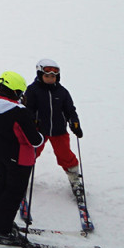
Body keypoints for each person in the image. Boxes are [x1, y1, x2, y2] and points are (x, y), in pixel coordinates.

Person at [0, 71, 42, 239]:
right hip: (19, 156)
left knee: (1, 180)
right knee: (14, 191)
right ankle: (1, 228)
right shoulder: (19, 112)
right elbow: (35, 141)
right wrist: (37, 129)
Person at [24, 59, 85, 204]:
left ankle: (75, 179)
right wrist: (31, 122)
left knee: (65, 155)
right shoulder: (32, 90)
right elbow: (27, 109)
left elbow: (70, 110)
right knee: (30, 153)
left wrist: (74, 122)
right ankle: (21, 177)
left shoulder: (62, 92)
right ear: (40, 75)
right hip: (39, 131)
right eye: (47, 76)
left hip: (59, 130)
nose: (51, 79)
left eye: (53, 76)